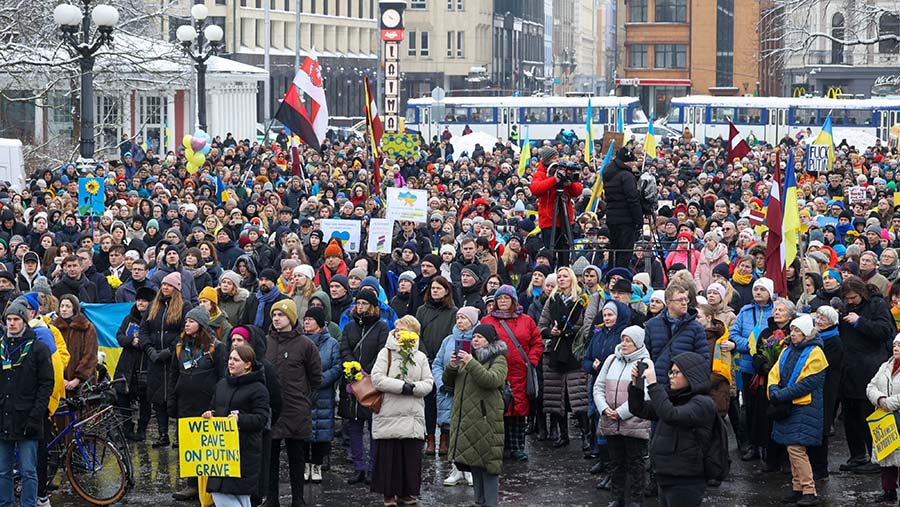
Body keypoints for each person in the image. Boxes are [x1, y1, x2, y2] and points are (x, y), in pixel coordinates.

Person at [628, 351, 716, 506]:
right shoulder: (673, 399)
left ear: (691, 374)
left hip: (686, 479)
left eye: (676, 372)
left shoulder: (703, 403)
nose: (671, 376)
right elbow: (638, 409)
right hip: (666, 474)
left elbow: (671, 415)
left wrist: (654, 384)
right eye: (670, 372)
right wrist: (636, 385)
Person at [370, 316, 434, 507]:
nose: (400, 332)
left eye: (405, 329)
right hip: (389, 411)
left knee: (410, 456)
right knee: (389, 455)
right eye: (398, 328)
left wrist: (413, 388)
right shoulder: (386, 353)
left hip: (412, 414)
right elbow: (377, 378)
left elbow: (429, 382)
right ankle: (388, 493)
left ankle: (407, 492)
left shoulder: (420, 357)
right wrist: (401, 386)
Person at [264, 299, 322, 507]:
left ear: (291, 317)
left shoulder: (305, 344)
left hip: (296, 407)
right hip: (271, 409)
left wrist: (307, 400)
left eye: (281, 315)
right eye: (274, 315)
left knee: (296, 456)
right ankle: (272, 498)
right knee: (270, 457)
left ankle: (298, 498)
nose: (277, 319)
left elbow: (316, 376)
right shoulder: (266, 342)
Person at [444, 323, 508, 507]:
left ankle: (491, 503)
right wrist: (453, 366)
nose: (475, 340)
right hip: (467, 420)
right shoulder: (467, 359)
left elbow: (492, 380)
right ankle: (479, 502)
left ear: (489, 340)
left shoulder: (498, 359)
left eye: (479, 337)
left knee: (488, 465)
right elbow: (448, 382)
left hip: (486, 419)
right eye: (474, 337)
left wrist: (471, 363)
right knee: (474, 463)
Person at [168, 306, 228, 501]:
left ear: (201, 325)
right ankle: (192, 485)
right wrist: (172, 400)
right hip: (185, 402)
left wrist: (216, 405)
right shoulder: (179, 347)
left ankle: (211, 487)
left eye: (191, 321)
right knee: (188, 446)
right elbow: (173, 375)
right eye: (186, 321)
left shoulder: (216, 347)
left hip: (207, 403)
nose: (187, 324)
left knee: (208, 446)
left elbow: (222, 377)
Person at [768, 314, 828, 507]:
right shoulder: (787, 349)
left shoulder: (816, 353)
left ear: (806, 333)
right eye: (792, 330)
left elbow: (808, 383)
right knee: (791, 447)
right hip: (789, 405)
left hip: (804, 407)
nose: (792, 334)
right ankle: (798, 487)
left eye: (797, 331)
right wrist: (773, 389)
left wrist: (781, 394)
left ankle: (809, 490)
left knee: (796, 448)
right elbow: (775, 373)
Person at [837, 276, 894, 474]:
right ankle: (857, 455)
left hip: (869, 367)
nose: (850, 301)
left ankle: (876, 457)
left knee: (867, 415)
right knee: (851, 416)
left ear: (861, 293)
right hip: (848, 368)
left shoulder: (877, 304)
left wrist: (859, 321)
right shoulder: (845, 307)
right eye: (847, 298)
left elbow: (886, 331)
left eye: (852, 298)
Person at [203, 343, 271, 507]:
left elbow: (262, 418)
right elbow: (214, 407)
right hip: (221, 451)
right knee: (219, 494)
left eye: (236, 360)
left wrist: (241, 419)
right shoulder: (222, 384)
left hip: (244, 451)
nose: (231, 362)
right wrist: (209, 414)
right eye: (230, 359)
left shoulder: (258, 389)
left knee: (240, 497)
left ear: (248, 364)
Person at [0, 301, 54, 507]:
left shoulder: (38, 348)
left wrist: (36, 415)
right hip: (3, 416)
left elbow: (46, 384)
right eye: (9, 320)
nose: (12, 324)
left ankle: (29, 504)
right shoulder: (1, 347)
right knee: (3, 470)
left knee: (29, 470)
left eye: (16, 320)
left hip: (28, 418)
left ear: (25, 321)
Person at [481, 285, 543, 461]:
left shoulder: (526, 320)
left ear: (513, 301)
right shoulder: (487, 321)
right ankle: (498, 448)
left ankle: (517, 447)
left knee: (518, 410)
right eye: (499, 299)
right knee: (497, 410)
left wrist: (531, 361)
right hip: (496, 372)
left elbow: (537, 343)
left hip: (520, 372)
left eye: (506, 298)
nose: (502, 301)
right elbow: (480, 342)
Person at [593, 325, 652, 506]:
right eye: (623, 339)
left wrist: (621, 413)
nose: (624, 344)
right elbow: (598, 387)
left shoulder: (645, 363)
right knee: (615, 462)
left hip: (633, 422)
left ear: (638, 343)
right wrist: (604, 409)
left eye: (629, 341)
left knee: (636, 463)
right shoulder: (611, 360)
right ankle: (616, 498)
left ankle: (636, 500)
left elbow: (645, 394)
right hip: (610, 420)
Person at [339, 289, 389, 485]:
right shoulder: (350, 327)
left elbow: (382, 351)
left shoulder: (381, 327)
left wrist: (366, 373)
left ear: (373, 306)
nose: (360, 307)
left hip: (372, 382)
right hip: (352, 381)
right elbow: (344, 348)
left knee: (373, 428)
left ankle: (373, 468)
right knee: (354, 425)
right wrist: (353, 368)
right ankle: (358, 467)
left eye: (364, 304)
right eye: (358, 303)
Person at [539, 266, 589, 449]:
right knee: (556, 396)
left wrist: (568, 331)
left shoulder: (581, 300)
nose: (561, 279)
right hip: (555, 352)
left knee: (578, 397)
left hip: (574, 352)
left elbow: (585, 326)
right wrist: (549, 332)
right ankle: (563, 434)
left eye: (564, 276)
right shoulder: (552, 300)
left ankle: (585, 435)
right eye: (559, 276)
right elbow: (541, 326)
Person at [139, 271, 190, 448]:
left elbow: (184, 332)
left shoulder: (184, 306)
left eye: (169, 285)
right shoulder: (154, 305)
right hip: (154, 359)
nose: (165, 287)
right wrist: (149, 349)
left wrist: (169, 351)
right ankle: (163, 434)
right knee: (157, 398)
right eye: (163, 285)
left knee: (175, 397)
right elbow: (143, 330)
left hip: (173, 359)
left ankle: (179, 436)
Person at [729, 277, 774, 461]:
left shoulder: (775, 311)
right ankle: (752, 445)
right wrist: (750, 346)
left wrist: (766, 350)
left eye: (762, 290)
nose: (758, 293)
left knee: (766, 407)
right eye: (756, 289)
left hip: (768, 367)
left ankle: (768, 445)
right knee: (749, 406)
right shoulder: (745, 312)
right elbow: (734, 335)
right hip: (748, 366)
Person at [433, 306, 479, 484]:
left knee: (470, 431)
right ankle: (456, 469)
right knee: (452, 430)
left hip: (471, 393)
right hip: (449, 392)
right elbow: (437, 364)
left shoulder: (479, 339)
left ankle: (470, 469)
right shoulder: (448, 340)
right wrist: (441, 383)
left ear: (473, 321)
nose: (459, 321)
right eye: (458, 317)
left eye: (464, 318)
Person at [414, 275, 457, 455]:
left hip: (444, 362)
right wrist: (424, 355)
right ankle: (430, 437)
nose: (435, 291)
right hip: (425, 361)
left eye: (439, 288)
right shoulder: (422, 311)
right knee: (428, 401)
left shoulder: (454, 312)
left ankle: (445, 438)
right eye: (432, 288)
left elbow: (451, 336)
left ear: (446, 291)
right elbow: (417, 334)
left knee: (445, 399)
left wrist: (440, 357)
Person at [304, 306, 341, 484]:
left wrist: (320, 380)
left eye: (310, 319)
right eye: (305, 319)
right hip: (303, 391)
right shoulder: (300, 341)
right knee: (303, 431)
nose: (306, 322)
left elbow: (337, 367)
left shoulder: (332, 343)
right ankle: (305, 465)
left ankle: (317, 464)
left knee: (322, 431)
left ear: (319, 323)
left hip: (323, 392)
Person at [530, 147, 583, 267]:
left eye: (557, 157)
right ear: (547, 159)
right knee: (550, 253)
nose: (557, 160)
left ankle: (564, 272)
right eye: (554, 158)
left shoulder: (564, 170)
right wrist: (554, 179)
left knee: (565, 252)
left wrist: (569, 184)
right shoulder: (540, 173)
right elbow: (535, 189)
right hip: (549, 221)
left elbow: (578, 191)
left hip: (565, 220)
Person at [115, 286, 156, 441]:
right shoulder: (129, 318)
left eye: (144, 300)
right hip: (127, 364)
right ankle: (127, 427)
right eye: (139, 300)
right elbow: (119, 336)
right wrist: (131, 340)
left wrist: (143, 342)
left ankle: (142, 429)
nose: (141, 303)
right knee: (123, 396)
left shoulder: (154, 319)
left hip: (145, 365)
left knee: (145, 400)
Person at [867, 333, 900, 502]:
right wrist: (879, 399)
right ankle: (888, 491)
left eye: (899, 345)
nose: (896, 348)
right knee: (887, 455)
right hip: (884, 417)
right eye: (895, 345)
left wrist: (890, 403)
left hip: (897, 415)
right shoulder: (885, 366)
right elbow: (871, 386)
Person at [603, 147, 642, 269]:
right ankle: (621, 277)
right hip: (626, 220)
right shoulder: (626, 176)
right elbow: (633, 200)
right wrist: (639, 220)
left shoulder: (608, 173)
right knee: (624, 254)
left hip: (612, 218)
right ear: (628, 161)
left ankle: (612, 276)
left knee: (614, 251)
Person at [51, 294, 98, 392]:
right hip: (59, 382)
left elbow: (90, 356)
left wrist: (78, 379)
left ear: (75, 308)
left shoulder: (87, 328)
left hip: (82, 384)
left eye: (68, 306)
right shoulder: (53, 328)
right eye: (62, 306)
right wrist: (60, 378)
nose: (64, 309)